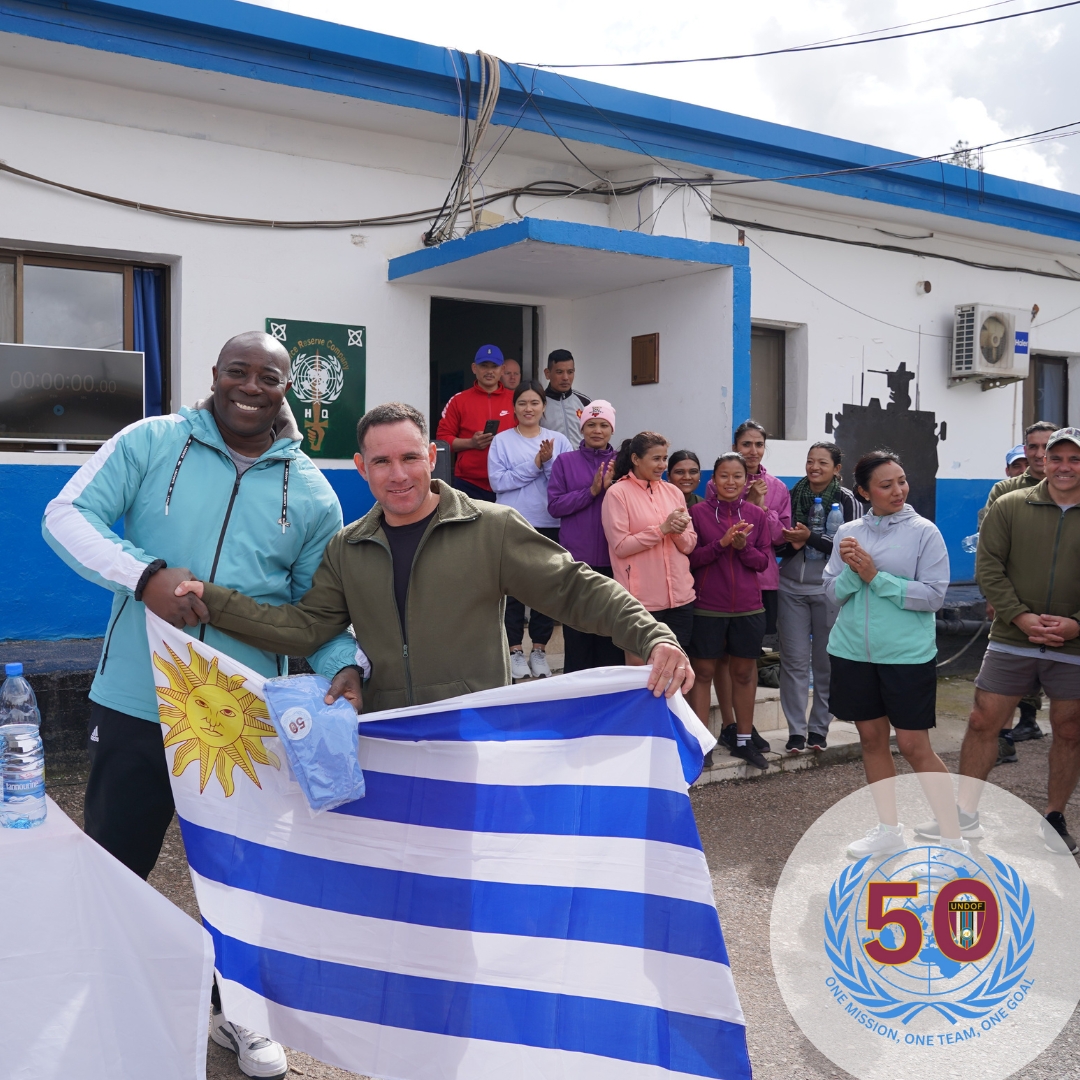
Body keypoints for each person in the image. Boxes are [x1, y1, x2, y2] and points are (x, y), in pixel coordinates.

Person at [42, 331, 365, 1080]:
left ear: (288, 389)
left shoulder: (311, 489)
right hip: (138, 696)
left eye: (269, 377)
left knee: (242, 877)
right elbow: (66, 515)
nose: (251, 387)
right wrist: (142, 574)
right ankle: (104, 1002)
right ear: (215, 376)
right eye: (238, 372)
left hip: (242, 714)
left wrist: (345, 667)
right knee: (118, 862)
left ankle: (241, 1018)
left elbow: (321, 614)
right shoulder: (152, 442)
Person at [177, 403, 694, 712]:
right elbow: (305, 628)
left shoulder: (490, 528)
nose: (397, 474)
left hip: (472, 736)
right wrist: (214, 602)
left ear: (431, 457)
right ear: (361, 468)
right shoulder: (347, 547)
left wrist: (651, 635)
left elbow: (576, 588)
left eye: (409, 458)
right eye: (381, 461)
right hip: (389, 740)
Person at [930, 427, 1080, 855]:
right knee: (982, 721)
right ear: (1045, 462)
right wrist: (1020, 616)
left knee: (1069, 730)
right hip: (1013, 636)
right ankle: (964, 814)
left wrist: (1074, 626)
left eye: (1075, 459)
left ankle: (1053, 816)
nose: (1064, 467)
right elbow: (989, 565)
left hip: (1072, 645)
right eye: (1057, 458)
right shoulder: (1011, 505)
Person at [822, 450, 964, 859]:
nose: (898, 490)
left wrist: (875, 577)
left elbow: (933, 596)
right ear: (864, 491)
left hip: (905, 655)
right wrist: (852, 571)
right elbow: (831, 593)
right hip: (851, 652)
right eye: (886, 485)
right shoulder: (849, 531)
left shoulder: (924, 532)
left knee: (915, 746)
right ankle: (888, 830)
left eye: (901, 480)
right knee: (870, 740)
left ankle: (952, 839)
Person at [686, 453, 773, 771]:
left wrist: (743, 548)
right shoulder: (697, 512)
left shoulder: (756, 514)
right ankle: (702, 745)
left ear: (745, 480)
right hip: (708, 607)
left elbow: (763, 562)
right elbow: (691, 559)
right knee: (703, 673)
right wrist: (722, 543)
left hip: (749, 608)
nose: (731, 482)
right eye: (724, 476)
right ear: (714, 481)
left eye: (737, 476)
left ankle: (743, 740)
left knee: (744, 673)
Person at [777, 443, 863, 754]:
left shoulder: (847, 500)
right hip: (791, 588)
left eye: (822, 463)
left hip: (830, 589)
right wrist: (792, 544)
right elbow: (779, 543)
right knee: (795, 662)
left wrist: (810, 538)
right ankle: (796, 732)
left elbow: (850, 545)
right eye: (810, 461)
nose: (814, 467)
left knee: (825, 662)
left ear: (837, 469)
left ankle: (819, 729)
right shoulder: (792, 494)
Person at [487, 382, 573, 679]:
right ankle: (514, 651)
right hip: (511, 522)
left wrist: (546, 464)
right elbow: (499, 483)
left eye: (534, 403)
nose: (528, 408)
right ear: (514, 407)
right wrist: (536, 463)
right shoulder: (502, 441)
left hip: (549, 523)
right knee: (514, 591)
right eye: (522, 403)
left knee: (545, 589)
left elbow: (563, 484)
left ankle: (538, 650)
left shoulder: (558, 440)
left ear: (543, 406)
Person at [979, 422, 1058, 745]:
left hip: (1062, 605)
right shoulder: (1005, 491)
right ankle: (1002, 739)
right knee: (1003, 678)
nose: (1039, 454)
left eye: (1046, 447)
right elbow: (990, 551)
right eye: (1032, 447)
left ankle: (1028, 721)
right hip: (1012, 600)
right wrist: (997, 598)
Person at [715, 421, 791, 754]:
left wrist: (761, 507)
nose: (752, 451)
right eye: (746, 444)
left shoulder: (776, 487)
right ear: (735, 445)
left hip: (761, 582)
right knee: (722, 657)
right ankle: (729, 723)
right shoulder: (718, 483)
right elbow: (715, 528)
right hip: (723, 583)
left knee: (746, 659)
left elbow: (779, 537)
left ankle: (746, 726)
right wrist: (746, 499)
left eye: (759, 444)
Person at [601, 432, 697, 657]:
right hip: (640, 601)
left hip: (680, 599)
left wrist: (677, 532)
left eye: (664, 458)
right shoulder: (617, 493)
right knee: (642, 673)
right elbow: (621, 546)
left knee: (676, 670)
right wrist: (662, 529)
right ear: (636, 459)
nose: (662, 465)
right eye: (656, 459)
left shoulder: (673, 491)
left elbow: (689, 545)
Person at [547, 400, 623, 672]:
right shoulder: (565, 462)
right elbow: (554, 506)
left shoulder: (623, 463)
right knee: (578, 638)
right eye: (591, 424)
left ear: (612, 429)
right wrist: (591, 491)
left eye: (604, 425)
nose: (597, 430)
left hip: (616, 560)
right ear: (582, 428)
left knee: (610, 639)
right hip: (577, 563)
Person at [435, 343, 515, 502]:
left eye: (495, 366)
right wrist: (471, 443)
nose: (490, 371)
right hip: (469, 484)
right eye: (484, 366)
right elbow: (442, 442)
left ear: (502, 369)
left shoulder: (516, 399)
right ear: (474, 368)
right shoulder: (458, 401)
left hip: (510, 481)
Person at [542, 348, 592, 446]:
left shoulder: (585, 402)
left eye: (570, 372)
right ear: (547, 374)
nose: (565, 377)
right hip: (551, 461)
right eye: (559, 372)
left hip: (580, 461)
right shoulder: (538, 403)